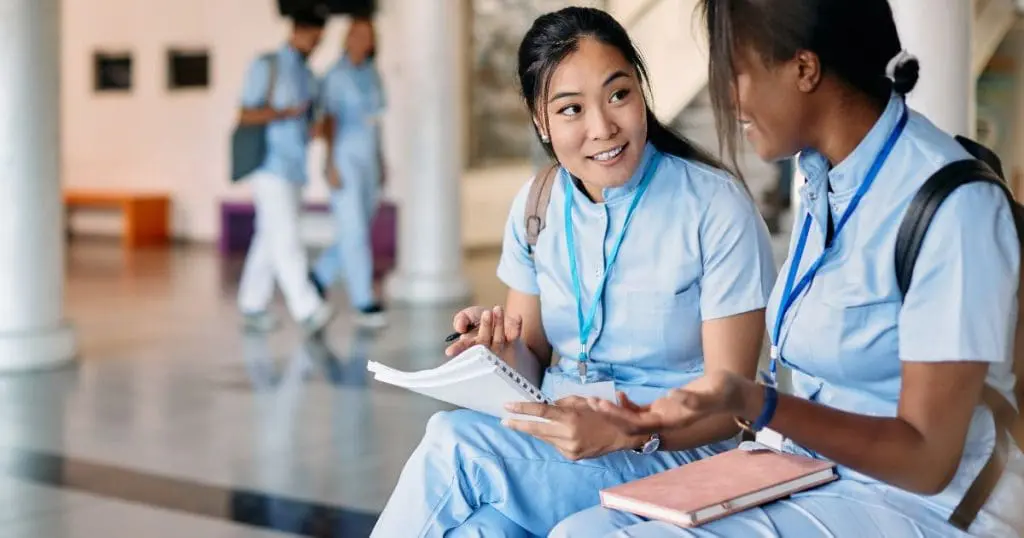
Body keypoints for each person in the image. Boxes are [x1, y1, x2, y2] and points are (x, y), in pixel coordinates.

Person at [551, 0, 1024, 536]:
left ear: (804, 69)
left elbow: (927, 461)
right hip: (816, 472)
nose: (728, 99)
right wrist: (645, 427)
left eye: (736, 73)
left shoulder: (954, 206)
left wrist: (760, 403)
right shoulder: (823, 178)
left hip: (934, 508)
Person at [369, 7, 775, 538]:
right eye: (570, 109)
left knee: (454, 445)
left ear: (641, 89)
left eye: (618, 95)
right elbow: (531, 356)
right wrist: (493, 355)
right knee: (481, 530)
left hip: (678, 453)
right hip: (563, 442)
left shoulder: (714, 208)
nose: (602, 127)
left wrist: (626, 432)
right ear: (541, 121)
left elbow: (735, 405)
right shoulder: (537, 204)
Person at [236, 9, 333, 335]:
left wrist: (314, 127)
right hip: (268, 166)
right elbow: (246, 114)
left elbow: (311, 124)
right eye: (313, 37)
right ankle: (307, 308)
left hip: (295, 168)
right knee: (287, 236)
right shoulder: (267, 66)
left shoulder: (309, 76)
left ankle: (251, 304)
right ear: (297, 29)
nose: (316, 45)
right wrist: (284, 113)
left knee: (268, 236)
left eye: (321, 40)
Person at [310, 16, 388, 328]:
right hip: (343, 158)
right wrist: (329, 163)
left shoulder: (373, 74)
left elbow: (376, 122)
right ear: (346, 38)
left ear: (371, 42)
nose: (359, 39)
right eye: (354, 34)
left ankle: (318, 276)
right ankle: (363, 300)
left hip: (369, 159)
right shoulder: (335, 75)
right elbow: (327, 121)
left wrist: (382, 161)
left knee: (358, 226)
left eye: (365, 35)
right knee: (354, 229)